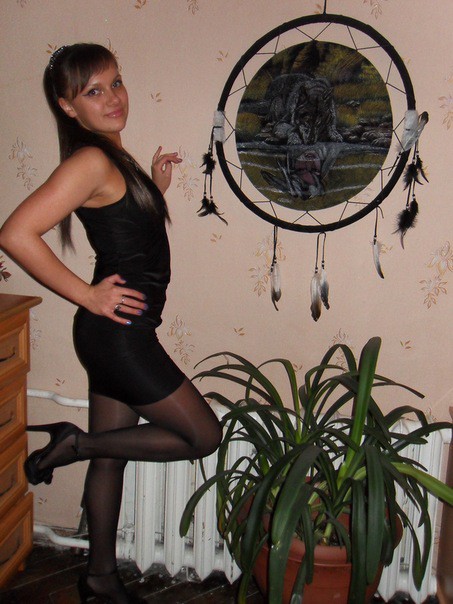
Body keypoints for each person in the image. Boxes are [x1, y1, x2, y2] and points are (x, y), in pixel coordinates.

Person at [0, 43, 222, 604]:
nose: (114, 98)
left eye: (116, 82)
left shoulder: (110, 155)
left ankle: (99, 576)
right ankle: (75, 443)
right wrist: (87, 294)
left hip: (115, 335)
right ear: (67, 106)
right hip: (118, 335)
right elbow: (16, 234)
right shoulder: (91, 161)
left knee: (112, 458)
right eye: (94, 91)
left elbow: (127, 228)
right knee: (202, 436)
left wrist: (154, 187)